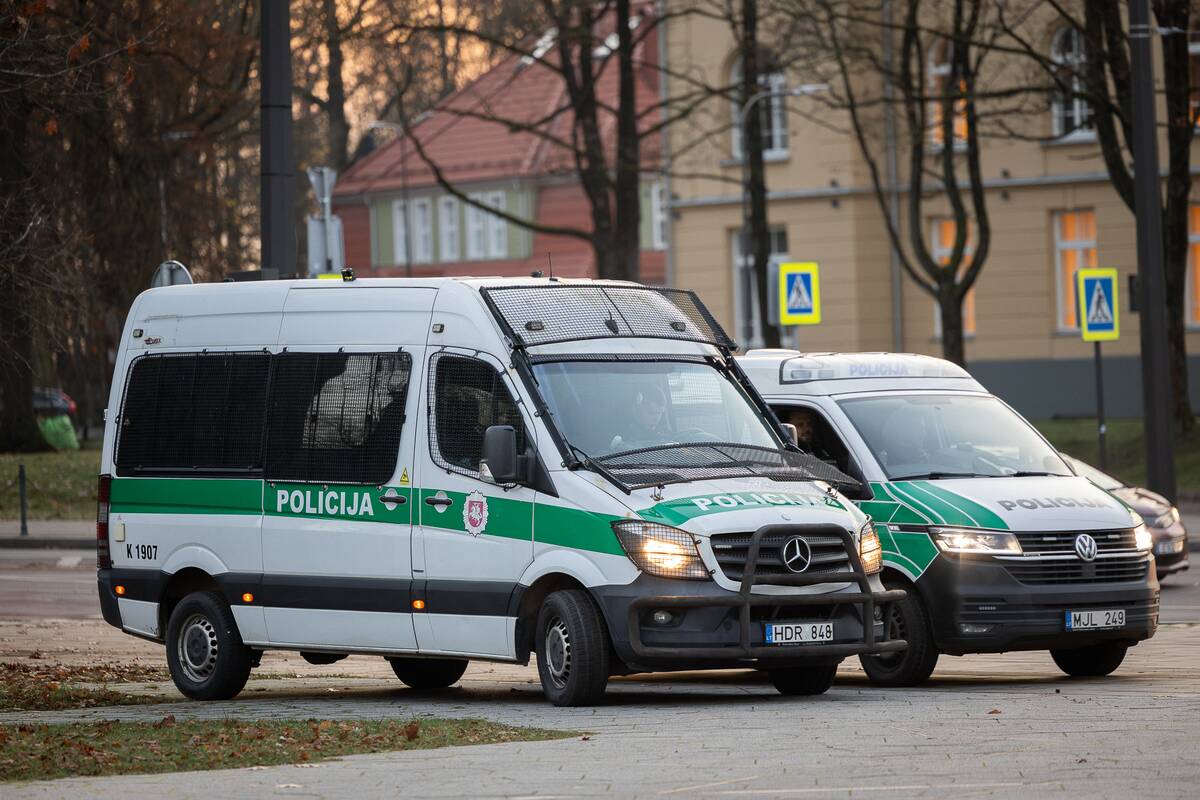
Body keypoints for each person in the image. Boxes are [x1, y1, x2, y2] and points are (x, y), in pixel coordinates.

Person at [609, 385, 667, 453]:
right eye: (651, 413)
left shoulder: (665, 432)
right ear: (635, 409)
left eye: (660, 413)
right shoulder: (623, 437)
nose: (657, 419)